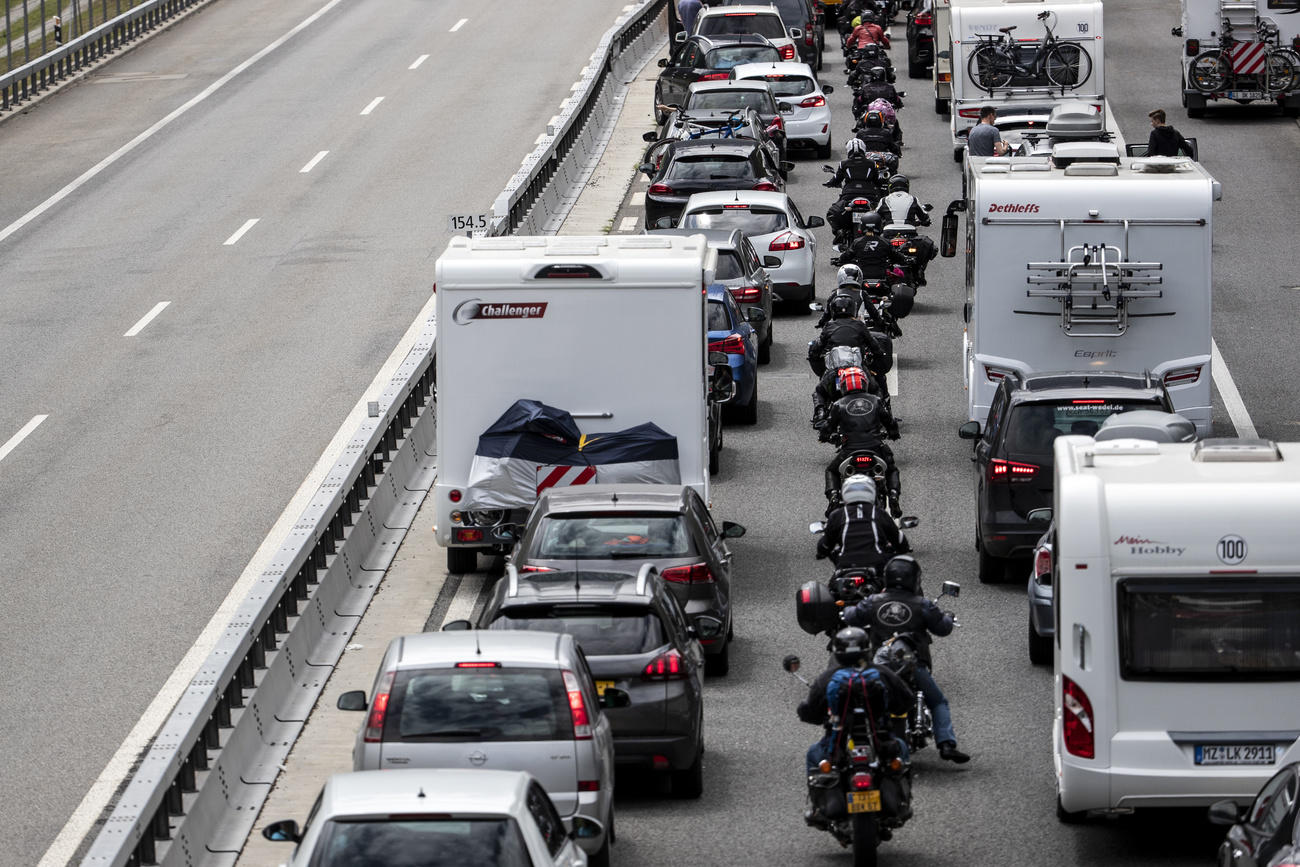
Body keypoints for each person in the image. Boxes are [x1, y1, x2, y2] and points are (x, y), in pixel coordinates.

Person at [843, 556, 972, 763]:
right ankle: (946, 743)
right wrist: (947, 616)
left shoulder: (873, 602)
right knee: (937, 701)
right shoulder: (922, 604)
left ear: (887, 577)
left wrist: (847, 608)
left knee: (863, 697)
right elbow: (943, 628)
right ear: (915, 579)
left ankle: (862, 741)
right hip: (914, 664)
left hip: (880, 665)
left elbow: (852, 616)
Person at [798, 626, 912, 774]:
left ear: (838, 653)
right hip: (881, 737)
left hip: (838, 740)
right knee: (901, 749)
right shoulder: (882, 673)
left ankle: (821, 795)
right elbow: (906, 700)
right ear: (867, 649)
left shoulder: (827, 678)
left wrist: (808, 712)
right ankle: (903, 793)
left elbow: (810, 712)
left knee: (814, 754)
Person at [820, 367, 902, 515]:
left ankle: (833, 497)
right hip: (876, 448)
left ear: (844, 386)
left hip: (849, 451)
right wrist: (893, 433)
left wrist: (824, 436)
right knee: (891, 469)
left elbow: (827, 427)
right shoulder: (876, 401)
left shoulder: (838, 404)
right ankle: (894, 496)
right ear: (864, 383)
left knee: (831, 470)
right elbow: (890, 422)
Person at [817, 476, 911, 571]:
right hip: (876, 563)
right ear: (871, 492)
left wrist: (823, 551)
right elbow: (899, 540)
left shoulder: (837, 515)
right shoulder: (879, 513)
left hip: (845, 564)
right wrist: (902, 548)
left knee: (834, 584)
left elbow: (825, 545)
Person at [825, 138, 885, 240]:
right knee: (882, 212)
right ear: (863, 149)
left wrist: (829, 184)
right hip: (870, 196)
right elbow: (878, 181)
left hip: (848, 195)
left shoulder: (843, 164)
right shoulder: (872, 163)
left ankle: (839, 234)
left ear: (848, 150)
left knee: (832, 213)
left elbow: (836, 179)